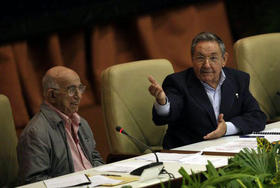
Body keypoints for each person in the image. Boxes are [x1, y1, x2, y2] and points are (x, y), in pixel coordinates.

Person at [148, 32, 266, 149]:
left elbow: (257, 116)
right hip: (189, 152)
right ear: (192, 60)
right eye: (200, 58)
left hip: (227, 148)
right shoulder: (178, 82)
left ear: (224, 59)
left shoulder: (238, 79)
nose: (207, 65)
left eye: (213, 58)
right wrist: (162, 102)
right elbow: (169, 111)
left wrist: (227, 128)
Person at [17, 66, 104, 185]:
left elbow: (94, 158)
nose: (79, 95)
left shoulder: (80, 122)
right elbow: (34, 182)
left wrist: (103, 177)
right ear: (52, 95)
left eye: (80, 88)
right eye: (72, 90)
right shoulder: (35, 133)